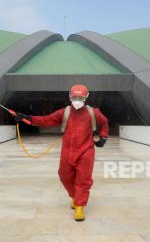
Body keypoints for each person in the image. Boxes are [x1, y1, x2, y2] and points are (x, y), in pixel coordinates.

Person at [15, 84, 109, 221]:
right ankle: (75, 196)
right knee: (64, 176)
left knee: (83, 179)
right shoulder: (64, 112)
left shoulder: (93, 112)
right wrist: (28, 118)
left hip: (86, 151)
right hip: (67, 151)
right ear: (70, 96)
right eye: (74, 97)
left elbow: (104, 122)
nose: (77, 100)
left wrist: (104, 136)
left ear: (86, 97)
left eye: (80, 97)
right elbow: (46, 120)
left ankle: (79, 207)